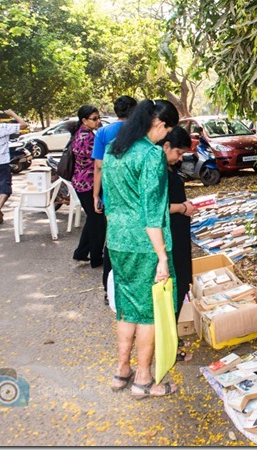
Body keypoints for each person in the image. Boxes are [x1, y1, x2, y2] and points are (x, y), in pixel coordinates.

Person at [102, 99, 179, 398]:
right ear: (159, 124)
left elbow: (110, 199)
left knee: (127, 307)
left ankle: (122, 371)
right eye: (168, 130)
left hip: (118, 240)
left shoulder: (113, 150)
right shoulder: (150, 155)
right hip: (146, 245)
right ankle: (144, 379)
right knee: (148, 312)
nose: (166, 137)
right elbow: (151, 212)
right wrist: (162, 256)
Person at [92, 95, 137, 301]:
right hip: (134, 193)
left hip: (112, 195)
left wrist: (96, 195)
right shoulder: (138, 131)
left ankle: (109, 289)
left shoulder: (102, 132)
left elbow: (99, 166)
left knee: (112, 242)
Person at [157, 126, 197, 362]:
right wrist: (182, 207)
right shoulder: (158, 171)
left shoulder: (168, 168)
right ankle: (169, 342)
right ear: (166, 147)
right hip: (170, 233)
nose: (180, 159)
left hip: (178, 231)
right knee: (176, 284)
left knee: (182, 282)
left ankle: (172, 337)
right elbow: (158, 207)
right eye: (179, 153)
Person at [69, 105, 105, 268]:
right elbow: (98, 163)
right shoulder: (87, 137)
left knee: (93, 219)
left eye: (98, 118)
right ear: (84, 120)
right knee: (97, 221)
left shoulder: (82, 134)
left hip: (81, 182)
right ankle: (96, 258)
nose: (98, 121)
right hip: (89, 183)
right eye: (94, 119)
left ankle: (81, 253)